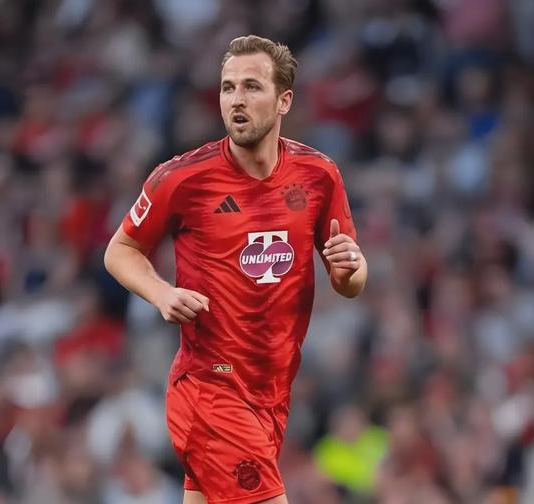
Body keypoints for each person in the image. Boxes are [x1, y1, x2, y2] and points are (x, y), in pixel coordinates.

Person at [104, 35, 367, 504]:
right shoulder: (182, 178)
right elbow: (120, 250)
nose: (236, 99)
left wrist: (353, 268)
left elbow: (349, 281)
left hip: (271, 391)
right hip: (212, 387)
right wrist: (162, 293)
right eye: (228, 88)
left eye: (251, 86)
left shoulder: (318, 174)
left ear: (284, 100)